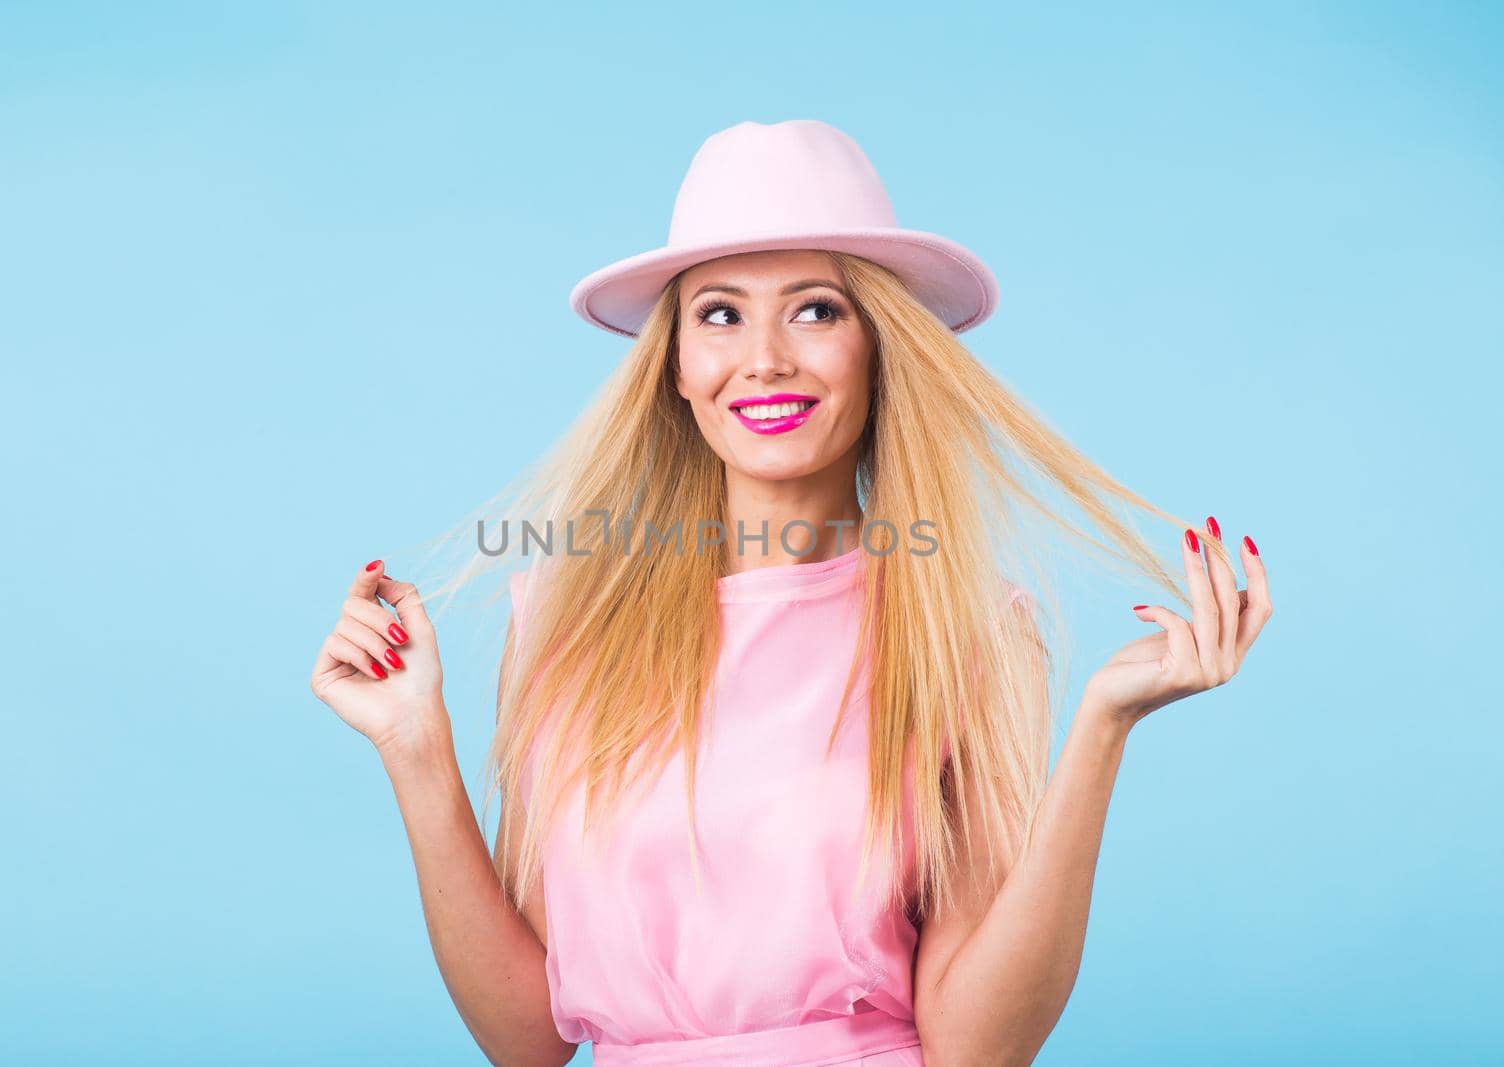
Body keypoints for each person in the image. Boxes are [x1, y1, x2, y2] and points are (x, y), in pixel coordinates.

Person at [308, 119, 1274, 1066]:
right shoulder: (567, 615)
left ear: (880, 348)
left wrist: (1103, 727)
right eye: (720, 313)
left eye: (816, 309)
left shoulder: (964, 627)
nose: (765, 357)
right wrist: (417, 751)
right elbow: (526, 1040)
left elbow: (980, 1047)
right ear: (677, 367)